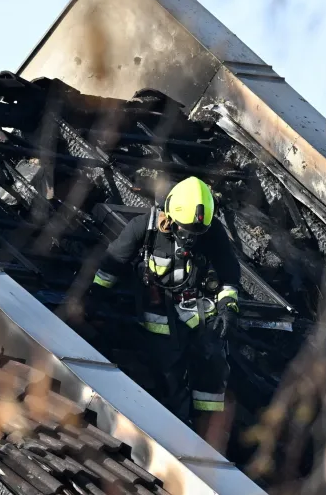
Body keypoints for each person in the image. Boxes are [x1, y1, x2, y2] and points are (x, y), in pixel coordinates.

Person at [85, 176, 240, 426]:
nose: (191, 238)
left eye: (197, 232)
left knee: (213, 364)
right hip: (159, 316)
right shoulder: (143, 228)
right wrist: (95, 295)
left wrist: (227, 309)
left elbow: (229, 276)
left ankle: (206, 426)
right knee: (168, 375)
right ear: (170, 217)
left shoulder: (212, 233)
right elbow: (112, 264)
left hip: (198, 310)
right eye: (185, 229)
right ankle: (174, 424)